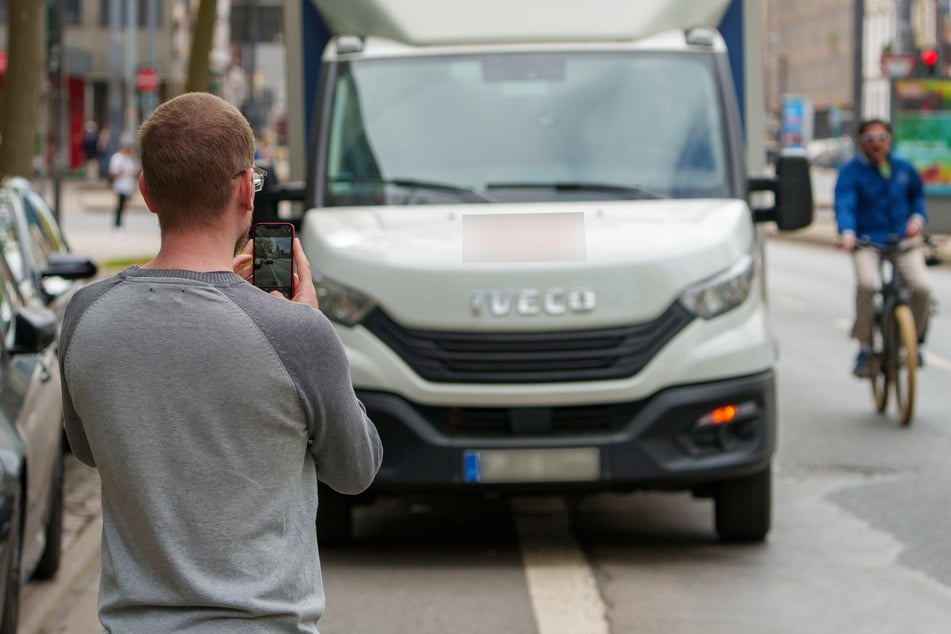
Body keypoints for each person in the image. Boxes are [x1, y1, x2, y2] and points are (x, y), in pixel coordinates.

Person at [59, 92, 383, 632]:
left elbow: (91, 449)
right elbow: (356, 471)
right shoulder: (296, 333)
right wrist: (311, 327)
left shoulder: (86, 315)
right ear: (243, 190)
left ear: (145, 192)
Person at [834, 118, 933, 377]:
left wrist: (917, 219)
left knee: (922, 287)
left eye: (882, 138)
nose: (877, 144)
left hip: (902, 240)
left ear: (890, 140)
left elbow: (917, 197)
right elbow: (845, 203)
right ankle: (865, 346)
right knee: (867, 284)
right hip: (867, 240)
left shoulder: (903, 168)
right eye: (870, 139)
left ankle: (915, 342)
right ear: (860, 142)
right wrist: (847, 233)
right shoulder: (851, 171)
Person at [108, 139, 139, 230]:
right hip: (120, 186)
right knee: (120, 206)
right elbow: (113, 173)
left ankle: (120, 223)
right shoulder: (117, 158)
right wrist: (124, 171)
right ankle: (116, 224)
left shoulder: (129, 159)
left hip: (127, 186)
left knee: (124, 206)